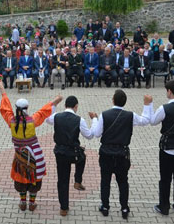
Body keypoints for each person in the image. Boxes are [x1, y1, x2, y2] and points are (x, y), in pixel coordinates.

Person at [90, 90, 152, 220]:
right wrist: (147, 105)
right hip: (122, 153)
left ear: (112, 100)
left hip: (106, 153)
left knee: (105, 181)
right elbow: (146, 120)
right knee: (123, 182)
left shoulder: (104, 115)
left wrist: (94, 119)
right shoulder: (130, 115)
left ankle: (105, 206)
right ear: (125, 102)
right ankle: (124, 208)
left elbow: (96, 133)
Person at [0, 90, 62, 212]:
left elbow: (5, 109)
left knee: (21, 178)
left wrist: (3, 91)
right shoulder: (32, 120)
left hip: (19, 156)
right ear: (27, 108)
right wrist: (56, 101)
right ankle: (32, 204)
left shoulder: (12, 121)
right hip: (35, 155)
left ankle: (23, 202)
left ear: (16, 108)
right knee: (35, 180)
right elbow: (43, 112)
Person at [46, 96, 94, 216]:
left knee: (62, 179)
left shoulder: (56, 117)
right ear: (76, 106)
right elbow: (89, 135)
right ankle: (78, 180)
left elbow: (47, 119)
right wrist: (94, 120)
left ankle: (63, 208)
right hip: (73, 153)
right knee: (82, 157)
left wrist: (54, 104)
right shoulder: (79, 119)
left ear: (65, 105)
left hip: (60, 153)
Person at [150, 80, 174, 215]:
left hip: (167, 148)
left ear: (169, 91)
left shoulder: (164, 108)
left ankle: (164, 206)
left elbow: (153, 121)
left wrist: (149, 105)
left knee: (165, 178)